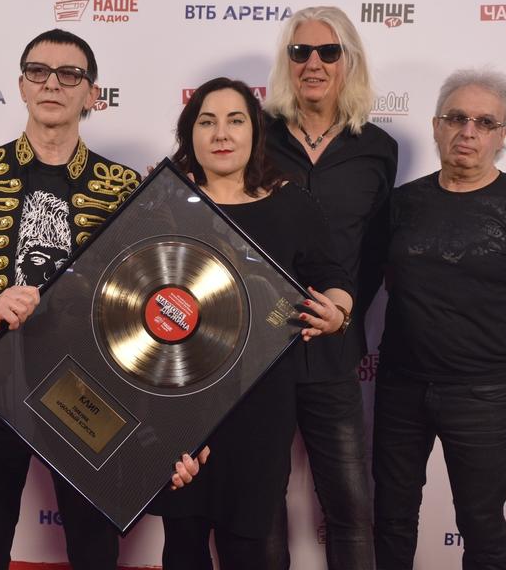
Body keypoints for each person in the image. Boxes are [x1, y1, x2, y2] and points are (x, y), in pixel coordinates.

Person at [0, 28, 203, 570]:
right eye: (38, 72)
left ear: (92, 94)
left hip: (93, 405)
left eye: (70, 74)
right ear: (22, 86)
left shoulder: (122, 186)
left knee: (94, 554)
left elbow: (151, 306)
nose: (52, 84)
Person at [151, 77, 354, 570]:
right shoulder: (163, 203)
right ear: (190, 133)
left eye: (235, 120)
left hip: (260, 405)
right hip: (177, 401)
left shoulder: (291, 203)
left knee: (251, 546)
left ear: (255, 132)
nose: (221, 133)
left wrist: (337, 313)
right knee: (182, 541)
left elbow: (333, 277)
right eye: (207, 121)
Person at [373, 68, 506, 570]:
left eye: (485, 122)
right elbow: (386, 283)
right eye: (456, 118)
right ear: (436, 125)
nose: (468, 131)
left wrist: (490, 362)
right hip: (400, 388)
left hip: (481, 398)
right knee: (391, 518)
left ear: (503, 135)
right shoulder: (402, 203)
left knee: (482, 528)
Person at [263, 5, 398, 569]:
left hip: (335, 353)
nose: (312, 63)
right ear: (287, 62)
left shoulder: (378, 148)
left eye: (328, 52)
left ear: (349, 61)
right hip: (259, 351)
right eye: (300, 52)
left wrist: (342, 317)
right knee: (260, 505)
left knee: (350, 507)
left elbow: (375, 253)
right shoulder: (256, 137)